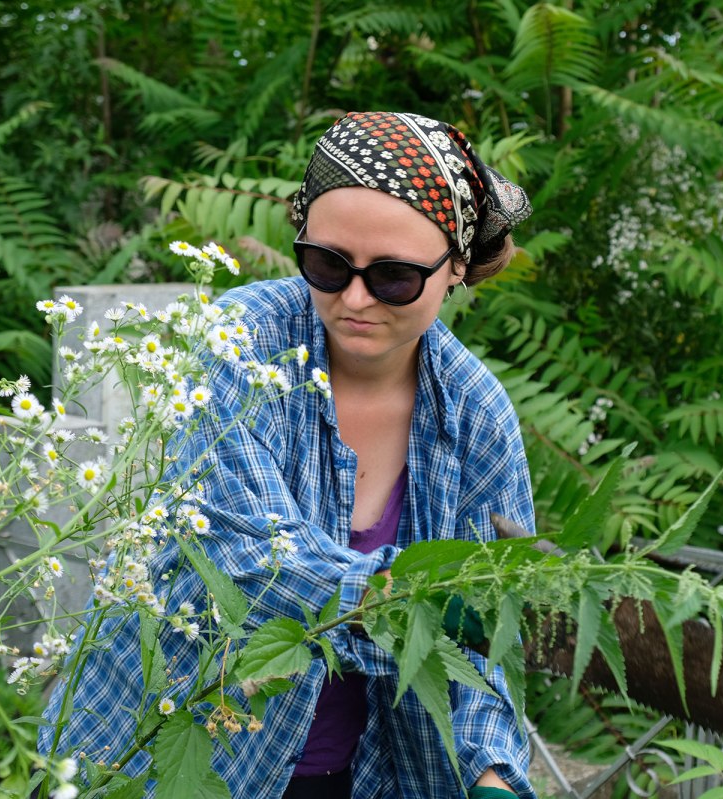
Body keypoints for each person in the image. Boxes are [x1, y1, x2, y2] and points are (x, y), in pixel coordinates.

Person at [40, 110, 537, 798]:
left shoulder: (477, 418)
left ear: (454, 266)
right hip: (166, 753)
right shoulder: (242, 344)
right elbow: (250, 560)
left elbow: (482, 654)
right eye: (328, 264)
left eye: (393, 276)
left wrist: (490, 773)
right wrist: (408, 599)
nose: (355, 297)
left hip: (366, 777)